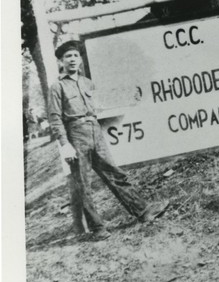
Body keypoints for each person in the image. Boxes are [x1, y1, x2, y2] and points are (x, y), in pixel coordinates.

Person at [48, 37, 169, 241]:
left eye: (76, 55)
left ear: (80, 59)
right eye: (68, 56)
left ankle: (144, 211)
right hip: (75, 134)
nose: (72, 59)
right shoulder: (57, 87)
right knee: (83, 184)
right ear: (61, 61)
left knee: (115, 173)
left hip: (95, 130)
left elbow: (102, 105)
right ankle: (97, 228)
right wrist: (65, 144)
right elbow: (55, 118)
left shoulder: (87, 83)